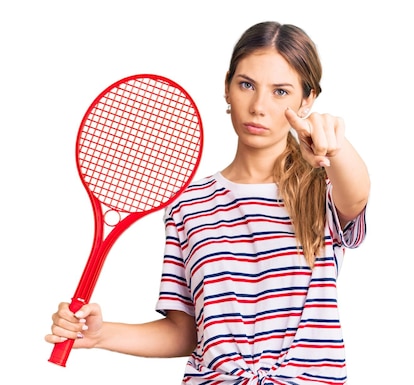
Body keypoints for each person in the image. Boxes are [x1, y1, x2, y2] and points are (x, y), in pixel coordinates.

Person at [45, 21, 370, 384]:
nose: (259, 106)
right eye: (246, 85)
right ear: (227, 88)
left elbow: (356, 196)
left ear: (306, 101)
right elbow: (188, 331)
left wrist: (335, 149)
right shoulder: (187, 204)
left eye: (281, 91)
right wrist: (102, 335)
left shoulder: (322, 186)